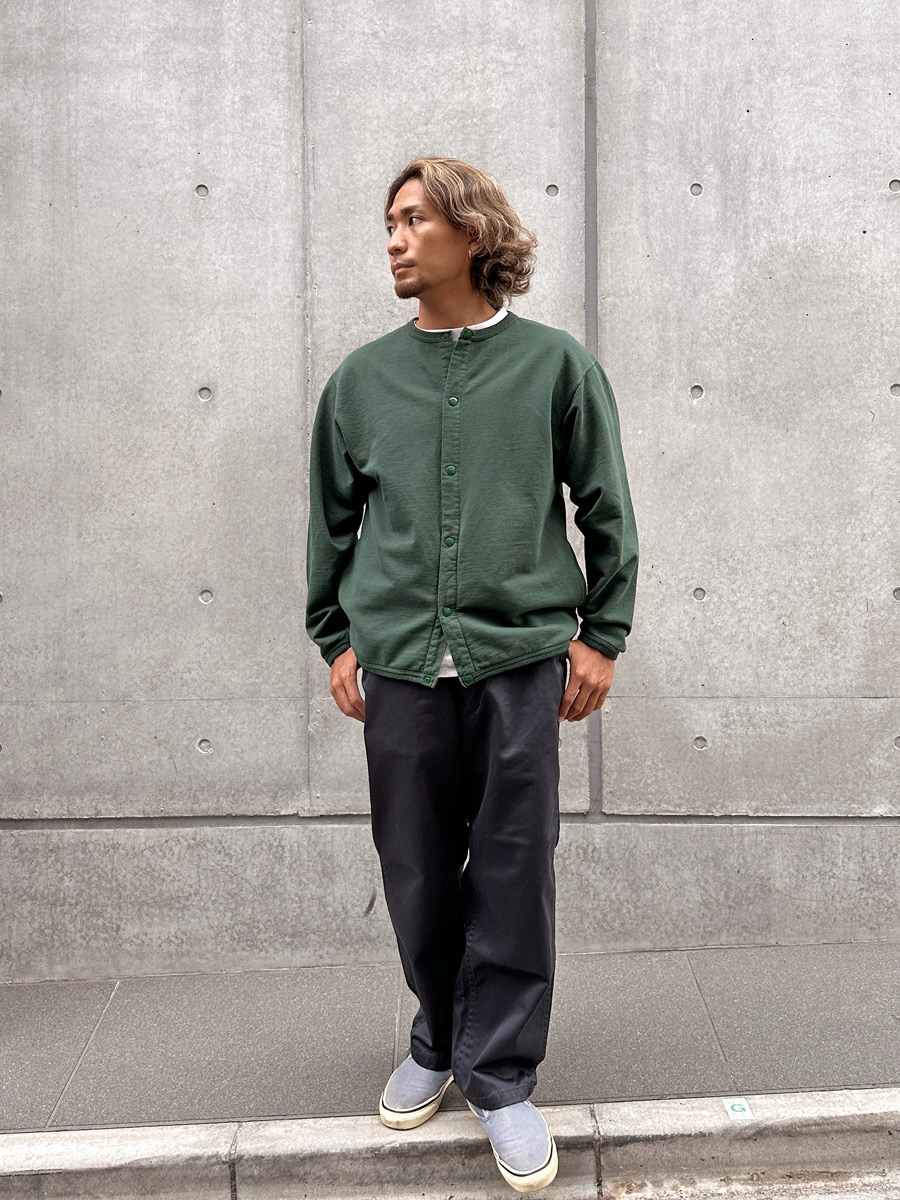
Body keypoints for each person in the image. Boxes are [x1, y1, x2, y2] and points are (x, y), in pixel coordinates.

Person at [305, 156, 639, 1193]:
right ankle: (437, 1037)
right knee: (412, 861)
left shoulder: (555, 367)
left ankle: (500, 1074)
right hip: (400, 662)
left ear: (473, 232)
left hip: (521, 658)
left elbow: (605, 503)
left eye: (415, 219)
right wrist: (336, 639)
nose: (395, 239)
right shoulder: (361, 381)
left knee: (512, 864)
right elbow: (331, 521)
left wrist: (602, 634)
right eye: (389, 222)